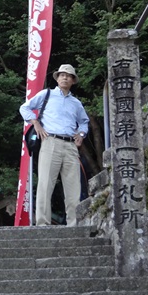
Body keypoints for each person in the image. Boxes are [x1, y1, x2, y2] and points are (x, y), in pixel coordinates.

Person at [19, 64, 90, 227]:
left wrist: (81, 134)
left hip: (71, 145)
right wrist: (35, 122)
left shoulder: (76, 103)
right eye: (62, 75)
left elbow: (84, 122)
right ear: (57, 78)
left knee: (73, 188)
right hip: (50, 141)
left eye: (68, 75)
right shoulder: (47, 94)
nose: (64, 77)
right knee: (45, 184)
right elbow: (25, 107)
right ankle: (43, 223)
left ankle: (74, 224)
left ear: (73, 81)